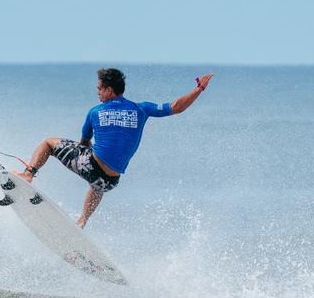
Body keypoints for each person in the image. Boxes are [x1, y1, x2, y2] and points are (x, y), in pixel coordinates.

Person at [16, 68, 214, 228]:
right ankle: (82, 221)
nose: (98, 92)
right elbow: (176, 106)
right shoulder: (141, 108)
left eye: (100, 89)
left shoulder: (95, 111)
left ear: (109, 90)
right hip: (111, 181)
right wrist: (199, 89)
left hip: (91, 166)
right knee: (98, 184)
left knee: (48, 143)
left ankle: (28, 174)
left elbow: (84, 144)